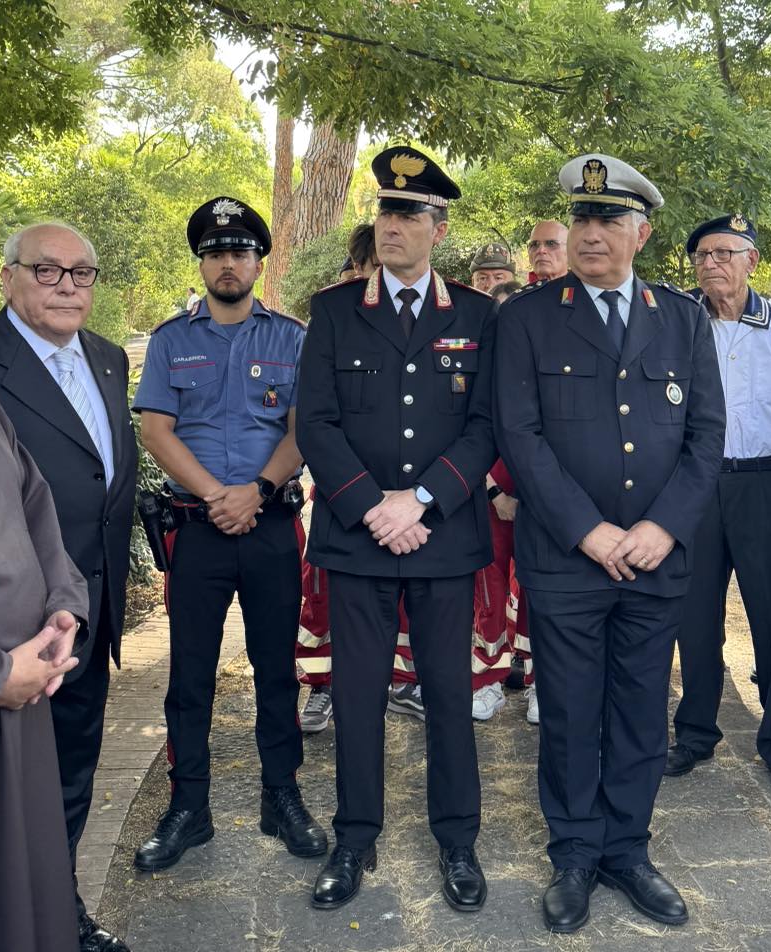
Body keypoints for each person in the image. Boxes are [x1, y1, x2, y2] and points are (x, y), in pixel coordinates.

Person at [496, 153, 725, 933]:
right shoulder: (527, 317)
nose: (591, 233)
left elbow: (706, 434)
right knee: (567, 711)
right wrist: (588, 530)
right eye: (582, 218)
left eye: (608, 219)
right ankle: (572, 853)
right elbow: (520, 436)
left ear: (641, 233)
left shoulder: (682, 318)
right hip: (567, 559)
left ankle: (626, 849)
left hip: (656, 559)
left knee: (638, 709)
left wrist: (662, 527)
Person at [297, 146, 497, 912]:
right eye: (385, 210)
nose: (392, 224)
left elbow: (485, 426)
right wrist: (370, 506)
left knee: (448, 692)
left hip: (441, 536)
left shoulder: (476, 315)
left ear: (438, 229)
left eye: (410, 214)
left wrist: (418, 501)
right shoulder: (334, 310)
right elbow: (315, 423)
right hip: (357, 538)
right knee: (356, 695)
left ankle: (457, 840)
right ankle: (354, 838)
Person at [131, 197, 327, 872]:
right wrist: (219, 496)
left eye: (240, 252)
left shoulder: (292, 338)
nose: (228, 263)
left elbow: (304, 430)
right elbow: (156, 430)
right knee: (190, 674)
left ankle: (282, 796)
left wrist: (257, 491)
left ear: (258, 263)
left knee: (276, 667)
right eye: (215, 253)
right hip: (198, 530)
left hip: (271, 525)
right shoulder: (170, 340)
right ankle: (189, 807)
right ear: (202, 264)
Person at [0, 222, 138, 952]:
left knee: (73, 770)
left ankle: (61, 910)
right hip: (10, 633)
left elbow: (102, 480)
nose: (67, 287)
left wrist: (82, 604)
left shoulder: (108, 358)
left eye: (82, 273)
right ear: (9, 276)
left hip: (83, 611)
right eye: (47, 271)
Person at [665, 215, 771, 798]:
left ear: (752, 260)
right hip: (697, 487)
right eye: (702, 255)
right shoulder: (679, 323)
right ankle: (695, 733)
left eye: (724, 253)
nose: (711, 264)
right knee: (694, 614)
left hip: (767, 484)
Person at [0, 393, 90, 952]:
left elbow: (34, 506)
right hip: (2, 688)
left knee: (26, 887)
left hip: (24, 695)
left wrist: (63, 608)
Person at [298, 222, 380, 733]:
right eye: (373, 268)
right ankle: (322, 688)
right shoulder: (332, 320)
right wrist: (361, 496)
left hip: (406, 504)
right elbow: (314, 420)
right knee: (324, 598)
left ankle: (400, 680)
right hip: (342, 494)